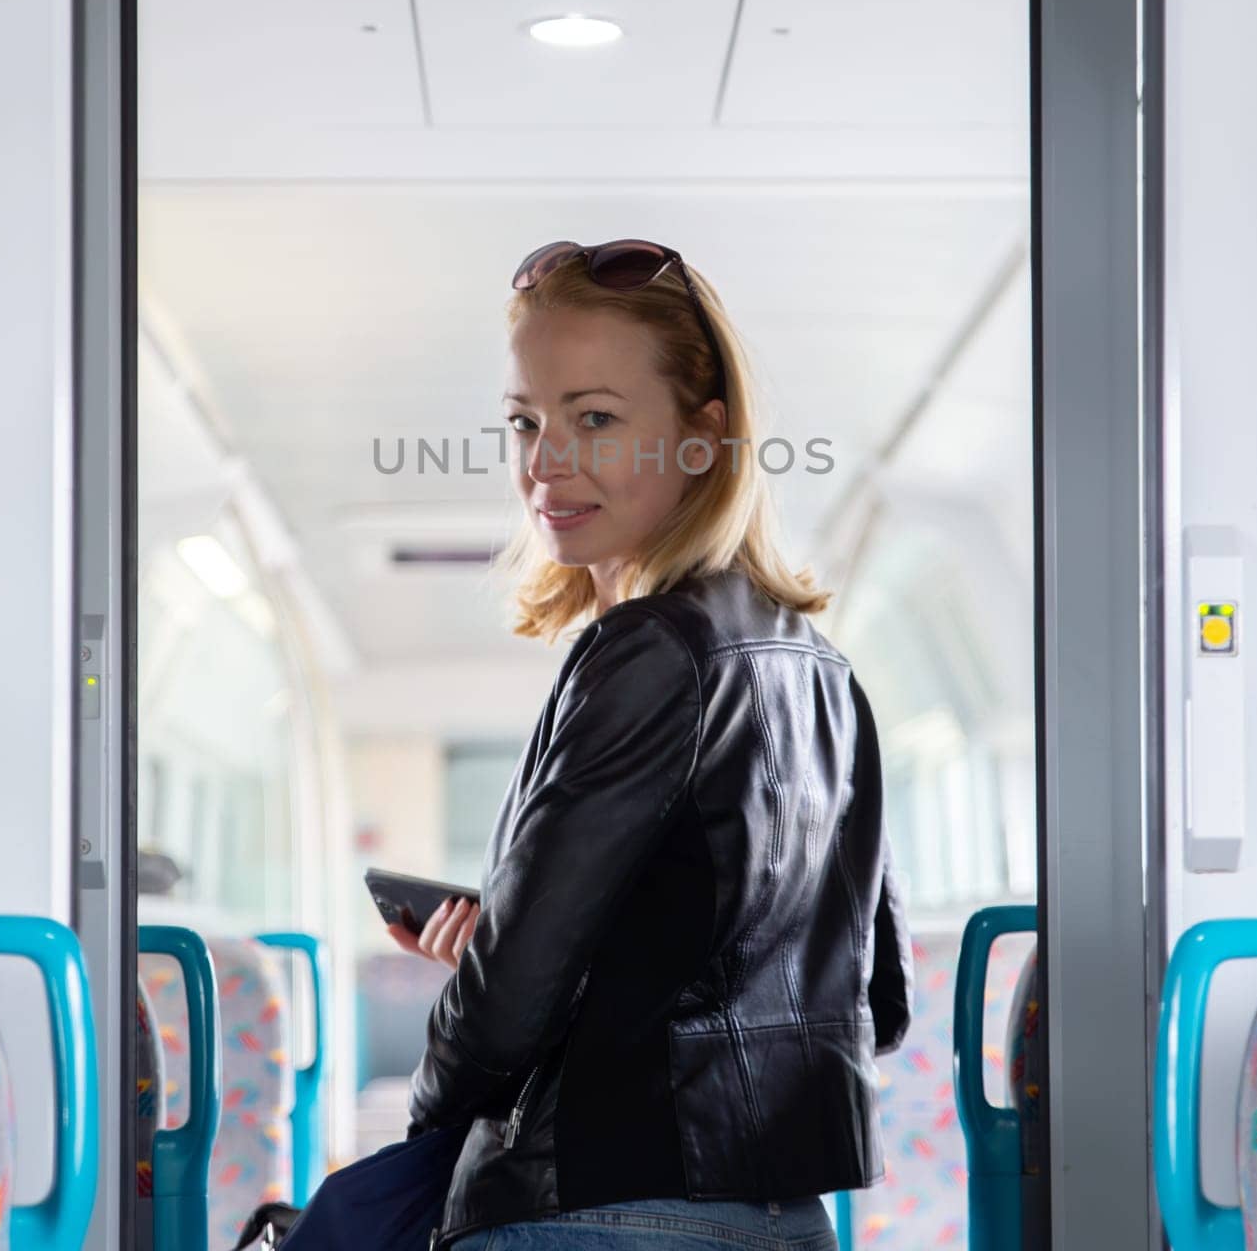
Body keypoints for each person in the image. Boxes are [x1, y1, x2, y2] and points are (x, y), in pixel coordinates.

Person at [387, 238, 913, 1251]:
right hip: (784, 1221)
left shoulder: (646, 651)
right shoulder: (825, 671)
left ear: (702, 436)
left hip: (594, 1210)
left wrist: (426, 1137)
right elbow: (872, 998)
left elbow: (504, 1019)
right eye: (525, 422)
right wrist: (510, 952)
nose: (546, 461)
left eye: (594, 417)